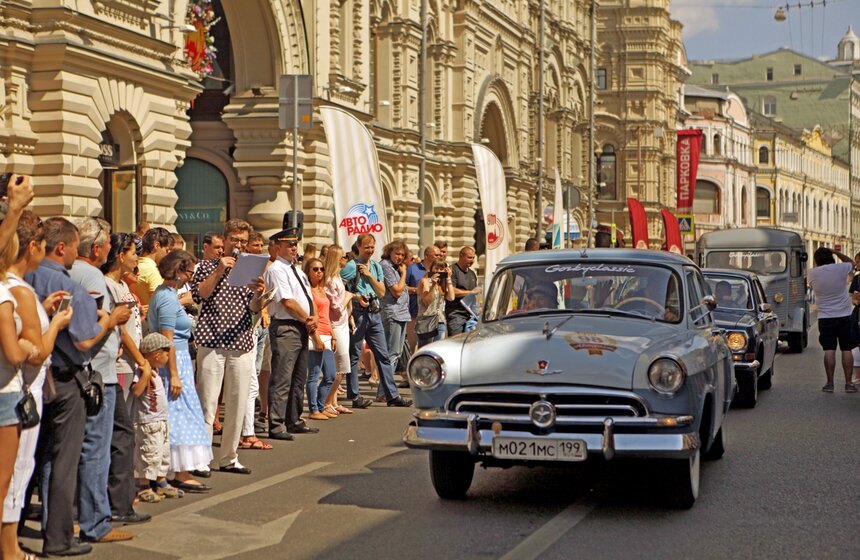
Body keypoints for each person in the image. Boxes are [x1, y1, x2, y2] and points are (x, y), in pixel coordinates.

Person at [26, 217, 130, 555]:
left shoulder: (24, 276)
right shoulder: (65, 283)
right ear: (62, 247)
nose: (76, 252)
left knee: (38, 458)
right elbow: (84, 341)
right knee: (65, 459)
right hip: (66, 378)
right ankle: (59, 537)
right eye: (73, 246)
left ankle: (43, 527)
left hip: (34, 375)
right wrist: (110, 321)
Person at [3, 211, 73, 558]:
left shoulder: (14, 289)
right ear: (31, 246)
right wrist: (56, 323)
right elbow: (35, 352)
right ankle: (11, 548)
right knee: (16, 471)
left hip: (19, 389)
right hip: (21, 393)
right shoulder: (17, 290)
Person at [69, 218, 136, 545]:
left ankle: (72, 516)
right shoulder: (92, 277)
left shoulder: (69, 273)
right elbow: (91, 328)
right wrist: (116, 319)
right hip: (99, 374)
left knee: (73, 450)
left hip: (84, 371)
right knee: (96, 450)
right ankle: (95, 521)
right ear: (97, 249)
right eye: (108, 242)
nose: (111, 247)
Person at [191, 219, 266, 474]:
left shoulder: (250, 270)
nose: (239, 245)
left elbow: (254, 309)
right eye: (235, 239)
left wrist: (258, 293)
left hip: (241, 341)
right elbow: (200, 294)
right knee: (208, 402)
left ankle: (229, 457)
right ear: (224, 241)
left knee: (237, 401)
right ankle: (201, 458)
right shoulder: (205, 266)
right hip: (212, 340)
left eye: (243, 241)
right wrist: (219, 271)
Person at [149, 250, 213, 491]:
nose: (190, 277)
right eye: (188, 272)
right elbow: (168, 338)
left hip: (179, 359)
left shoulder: (167, 294)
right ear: (177, 271)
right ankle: (180, 472)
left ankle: (176, 470)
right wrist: (174, 374)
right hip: (174, 362)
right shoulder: (166, 297)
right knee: (180, 416)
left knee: (182, 415)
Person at [100, 232, 152, 525]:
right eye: (133, 253)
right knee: (119, 434)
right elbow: (119, 331)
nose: (136, 258)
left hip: (131, 365)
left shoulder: (121, 285)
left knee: (125, 431)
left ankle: (121, 495)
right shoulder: (107, 285)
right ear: (120, 255)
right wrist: (142, 361)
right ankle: (117, 497)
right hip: (119, 366)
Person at [0, 212, 40, 560]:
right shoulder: (8, 292)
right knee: (6, 479)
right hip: (8, 392)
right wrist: (31, 343)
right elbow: (19, 353)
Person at [341, 234, 412, 408]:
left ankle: (392, 396)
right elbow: (339, 289)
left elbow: (381, 292)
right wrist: (356, 297)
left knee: (384, 356)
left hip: (374, 313)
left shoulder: (375, 266)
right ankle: (355, 396)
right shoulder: (352, 266)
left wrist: (370, 276)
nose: (370, 250)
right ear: (358, 246)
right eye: (366, 247)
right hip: (358, 314)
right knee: (354, 355)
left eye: (372, 247)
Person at [265, 227, 317, 440]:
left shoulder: (296, 270)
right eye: (289, 244)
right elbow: (287, 302)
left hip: (301, 326)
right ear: (277, 247)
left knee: (298, 377)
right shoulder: (277, 269)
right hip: (287, 326)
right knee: (282, 377)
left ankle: (293, 419)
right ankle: (276, 424)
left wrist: (309, 321)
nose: (294, 248)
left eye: (295, 244)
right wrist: (307, 319)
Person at [131, 333, 179, 502]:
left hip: (160, 422)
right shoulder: (143, 371)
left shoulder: (157, 371)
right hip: (148, 422)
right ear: (157, 354)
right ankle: (144, 485)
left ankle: (160, 480)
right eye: (166, 354)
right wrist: (145, 375)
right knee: (149, 454)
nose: (168, 358)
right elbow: (136, 391)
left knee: (162, 454)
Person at [239, 231, 273, 450]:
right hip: (244, 331)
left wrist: (264, 303)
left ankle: (247, 430)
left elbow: (257, 299)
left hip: (259, 324)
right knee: (247, 383)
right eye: (255, 244)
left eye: (262, 245)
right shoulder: (243, 267)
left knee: (254, 378)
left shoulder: (263, 266)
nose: (259, 248)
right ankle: (246, 433)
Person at [807, 246, 856, 393]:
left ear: (816, 260)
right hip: (844, 315)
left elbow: (811, 285)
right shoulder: (841, 268)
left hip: (825, 317)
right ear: (831, 257)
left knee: (829, 350)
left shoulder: (812, 273)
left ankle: (829, 383)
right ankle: (848, 383)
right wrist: (836, 252)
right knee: (846, 349)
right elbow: (852, 262)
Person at [322, 245, 353, 417]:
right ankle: (327, 402)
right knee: (341, 364)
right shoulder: (329, 280)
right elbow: (335, 307)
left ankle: (333, 401)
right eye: (342, 257)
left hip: (342, 323)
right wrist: (348, 296)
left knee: (341, 364)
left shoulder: (337, 277)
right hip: (334, 324)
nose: (345, 260)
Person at [305, 257, 336, 420]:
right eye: (315, 269)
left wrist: (333, 335)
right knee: (314, 374)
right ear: (308, 272)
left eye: (321, 269)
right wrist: (316, 337)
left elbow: (326, 315)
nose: (319, 272)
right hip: (315, 334)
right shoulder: (307, 291)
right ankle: (313, 409)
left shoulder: (322, 290)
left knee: (331, 375)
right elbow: (310, 318)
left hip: (326, 334)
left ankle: (320, 404)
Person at [379, 240, 411, 384]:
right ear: (389, 252)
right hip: (393, 313)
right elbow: (397, 291)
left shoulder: (395, 267)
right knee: (392, 354)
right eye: (397, 253)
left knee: (397, 354)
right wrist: (404, 273)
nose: (399, 257)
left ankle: (386, 389)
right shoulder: (386, 266)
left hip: (402, 313)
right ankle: (386, 390)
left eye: (402, 255)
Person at [416, 259, 455, 347]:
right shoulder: (425, 281)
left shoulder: (442, 283)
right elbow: (426, 302)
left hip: (440, 321)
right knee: (426, 350)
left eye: (441, 269)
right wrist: (433, 285)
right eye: (436, 268)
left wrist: (448, 279)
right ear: (431, 269)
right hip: (426, 322)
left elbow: (451, 298)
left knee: (438, 349)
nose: (438, 271)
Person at [445, 247, 480, 336]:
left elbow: (475, 294)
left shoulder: (472, 274)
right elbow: (451, 291)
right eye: (469, 257)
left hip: (471, 316)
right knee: (455, 344)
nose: (472, 260)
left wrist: (478, 307)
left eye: (473, 257)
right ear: (461, 256)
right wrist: (470, 292)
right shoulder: (452, 270)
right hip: (456, 315)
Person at [133, 227, 171, 307]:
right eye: (166, 250)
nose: (167, 254)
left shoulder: (136, 265)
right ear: (156, 245)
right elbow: (161, 304)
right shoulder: (152, 270)